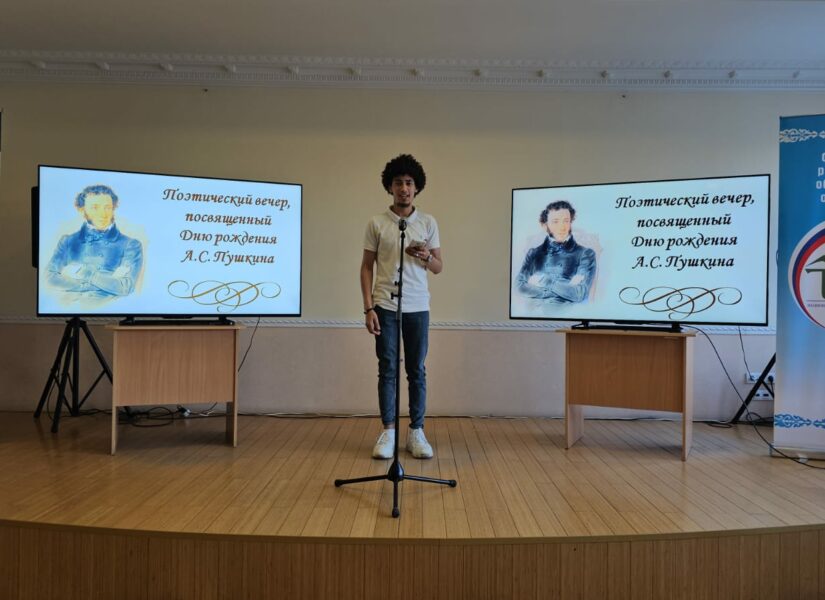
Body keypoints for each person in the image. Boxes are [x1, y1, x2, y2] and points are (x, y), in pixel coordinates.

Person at [361, 154, 443, 460]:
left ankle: (416, 432)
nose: (404, 188)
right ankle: (389, 432)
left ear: (416, 187)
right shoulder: (377, 223)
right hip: (385, 305)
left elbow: (438, 267)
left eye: (409, 183)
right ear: (390, 187)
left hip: (417, 306)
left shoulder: (428, 222)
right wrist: (368, 308)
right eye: (398, 183)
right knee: (387, 369)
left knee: (416, 370)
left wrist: (425, 256)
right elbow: (366, 267)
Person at [46, 184, 143, 304]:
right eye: (95, 207)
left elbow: (125, 287)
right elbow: (49, 278)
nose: (103, 214)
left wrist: (85, 273)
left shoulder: (130, 245)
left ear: (113, 208)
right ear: (82, 210)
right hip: (67, 306)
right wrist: (106, 282)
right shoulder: (68, 241)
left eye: (107, 207)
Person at [516, 200, 596, 303]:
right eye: (555, 221)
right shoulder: (534, 253)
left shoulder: (585, 254)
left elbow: (579, 294)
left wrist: (546, 281)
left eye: (566, 221)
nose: (562, 227)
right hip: (533, 310)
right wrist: (562, 290)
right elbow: (518, 287)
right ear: (545, 225)